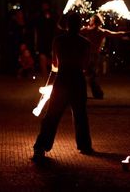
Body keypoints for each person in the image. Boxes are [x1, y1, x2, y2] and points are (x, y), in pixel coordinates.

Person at [32, 12, 93, 161]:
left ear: (67, 25)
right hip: (77, 80)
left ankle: (41, 146)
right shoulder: (85, 43)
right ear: (80, 26)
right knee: (80, 115)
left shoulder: (58, 40)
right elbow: (85, 66)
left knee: (52, 115)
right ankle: (84, 146)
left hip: (62, 79)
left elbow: (54, 65)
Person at [81, 14, 130, 99]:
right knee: (91, 75)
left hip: (87, 56)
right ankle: (96, 93)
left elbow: (72, 31)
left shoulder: (87, 30)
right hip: (94, 56)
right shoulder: (101, 31)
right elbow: (116, 34)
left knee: (88, 75)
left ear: (92, 21)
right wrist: (129, 32)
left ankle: (94, 93)